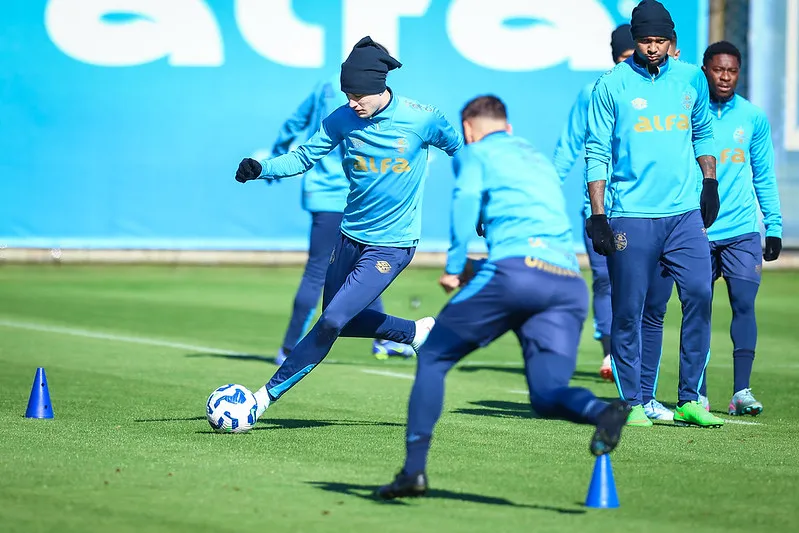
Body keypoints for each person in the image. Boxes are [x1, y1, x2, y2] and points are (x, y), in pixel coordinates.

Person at [376, 95, 631, 500]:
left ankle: (413, 471)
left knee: (435, 355)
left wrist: (455, 265)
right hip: (566, 282)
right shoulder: (537, 160)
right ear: (508, 127)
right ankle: (603, 411)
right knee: (547, 395)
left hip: (516, 274)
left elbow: (464, 205)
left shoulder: (474, 153)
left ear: (468, 131)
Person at [234, 36, 464, 417]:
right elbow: (303, 157)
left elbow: (462, 153)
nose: (352, 102)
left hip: (392, 245)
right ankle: (414, 333)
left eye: (359, 94)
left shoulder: (421, 117)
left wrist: (482, 206)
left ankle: (260, 401)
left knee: (332, 321)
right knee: (343, 321)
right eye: (347, 94)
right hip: (349, 237)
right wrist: (263, 169)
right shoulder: (342, 119)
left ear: (380, 87)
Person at [584, 0, 724, 428]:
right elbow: (596, 151)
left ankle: (689, 399)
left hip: (683, 215)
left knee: (700, 293)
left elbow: (702, 131)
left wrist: (710, 181)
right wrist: (598, 214)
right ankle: (634, 401)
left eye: (661, 41)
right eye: (646, 40)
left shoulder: (691, 80)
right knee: (630, 310)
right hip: (630, 215)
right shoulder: (611, 85)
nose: (654, 48)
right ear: (636, 39)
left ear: (672, 42)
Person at [640, 41, 783, 417]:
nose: (724, 76)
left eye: (732, 71)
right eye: (718, 69)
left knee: (744, 305)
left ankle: (741, 391)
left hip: (741, 231)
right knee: (695, 307)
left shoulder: (753, 118)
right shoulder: (684, 111)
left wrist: (774, 225)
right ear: (704, 70)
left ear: (739, 73)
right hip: (694, 229)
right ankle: (696, 393)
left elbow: (764, 175)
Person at [269, 74, 415, 366]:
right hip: (353, 197)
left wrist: (276, 152)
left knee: (358, 269)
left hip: (324, 195)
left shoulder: (323, 86)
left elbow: (294, 124)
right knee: (342, 269)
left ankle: (382, 339)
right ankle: (289, 349)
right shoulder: (379, 101)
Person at [552, 24, 636, 382]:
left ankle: (632, 349)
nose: (628, 64)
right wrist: (545, 194)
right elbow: (569, 146)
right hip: (598, 207)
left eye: (633, 57)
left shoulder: (656, 95)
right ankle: (609, 353)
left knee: (634, 282)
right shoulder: (593, 93)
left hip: (638, 208)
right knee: (603, 280)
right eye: (622, 58)